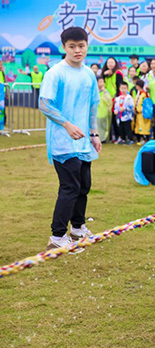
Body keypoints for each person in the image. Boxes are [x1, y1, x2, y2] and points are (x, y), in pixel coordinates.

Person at [38, 27, 101, 250]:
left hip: (83, 142)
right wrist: (66, 124)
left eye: (81, 46)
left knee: (84, 186)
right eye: (72, 46)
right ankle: (57, 237)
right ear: (63, 47)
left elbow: (93, 105)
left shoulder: (89, 74)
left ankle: (77, 229)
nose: (77, 50)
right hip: (63, 143)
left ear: (87, 46)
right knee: (70, 188)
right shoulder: (55, 73)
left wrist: (94, 133)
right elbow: (44, 104)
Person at [132, 79, 151, 144]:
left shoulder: (143, 94)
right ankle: (140, 139)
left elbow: (143, 103)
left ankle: (145, 139)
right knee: (139, 126)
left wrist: (139, 109)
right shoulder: (140, 93)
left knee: (144, 127)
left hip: (142, 113)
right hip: (138, 113)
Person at [96, 77, 112, 143]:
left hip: (104, 111)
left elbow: (109, 101)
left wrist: (104, 92)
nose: (101, 83)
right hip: (96, 111)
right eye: (100, 82)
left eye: (102, 82)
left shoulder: (106, 91)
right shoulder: (94, 91)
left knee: (103, 125)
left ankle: (103, 138)